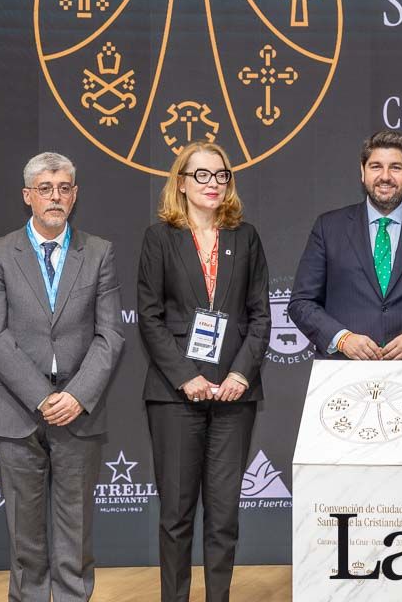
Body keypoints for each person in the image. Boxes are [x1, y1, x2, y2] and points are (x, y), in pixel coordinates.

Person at [0, 152, 124, 602]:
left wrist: (75, 396)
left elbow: (111, 335)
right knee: (25, 537)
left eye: (63, 188)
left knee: (75, 533)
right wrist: (43, 397)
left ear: (75, 195)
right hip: (17, 408)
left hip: (78, 410)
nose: (55, 196)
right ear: (28, 197)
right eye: (45, 189)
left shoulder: (98, 252)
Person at [137, 141, 270, 602]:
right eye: (202, 175)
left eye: (221, 175)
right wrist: (186, 376)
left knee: (223, 515)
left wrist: (239, 375)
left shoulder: (245, 236)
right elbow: (149, 317)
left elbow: (260, 316)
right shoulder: (160, 238)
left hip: (235, 395)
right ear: (182, 182)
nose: (213, 184)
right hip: (176, 396)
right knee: (176, 515)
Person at [288, 129, 402, 387]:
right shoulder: (328, 227)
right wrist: (342, 339)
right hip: (345, 377)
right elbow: (302, 303)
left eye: (396, 167)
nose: (385, 176)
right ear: (362, 172)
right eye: (376, 166)